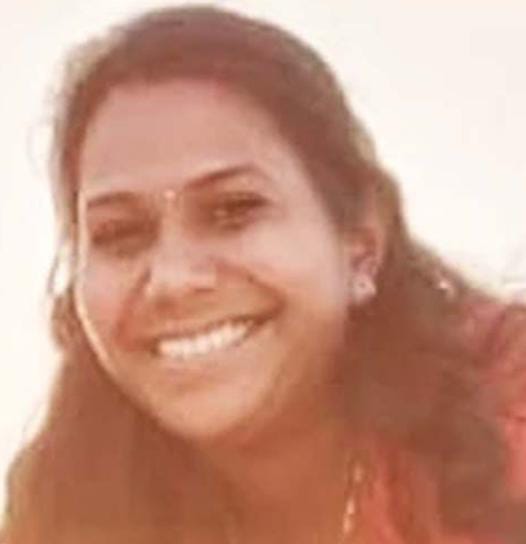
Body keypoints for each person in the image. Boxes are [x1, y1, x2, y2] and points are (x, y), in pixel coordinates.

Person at [2, 5, 526, 544]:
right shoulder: (65, 508)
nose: (173, 279)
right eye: (120, 233)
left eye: (233, 211)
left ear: (362, 241)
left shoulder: (508, 420)